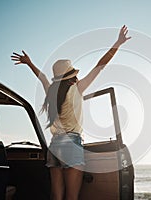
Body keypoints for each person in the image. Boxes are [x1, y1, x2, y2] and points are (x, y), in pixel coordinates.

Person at [11, 25, 131, 200]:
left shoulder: (51, 91)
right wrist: (118, 43)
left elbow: (42, 77)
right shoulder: (77, 89)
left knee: (56, 196)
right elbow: (101, 65)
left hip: (54, 146)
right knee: (72, 197)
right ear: (71, 75)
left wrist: (29, 63)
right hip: (72, 144)